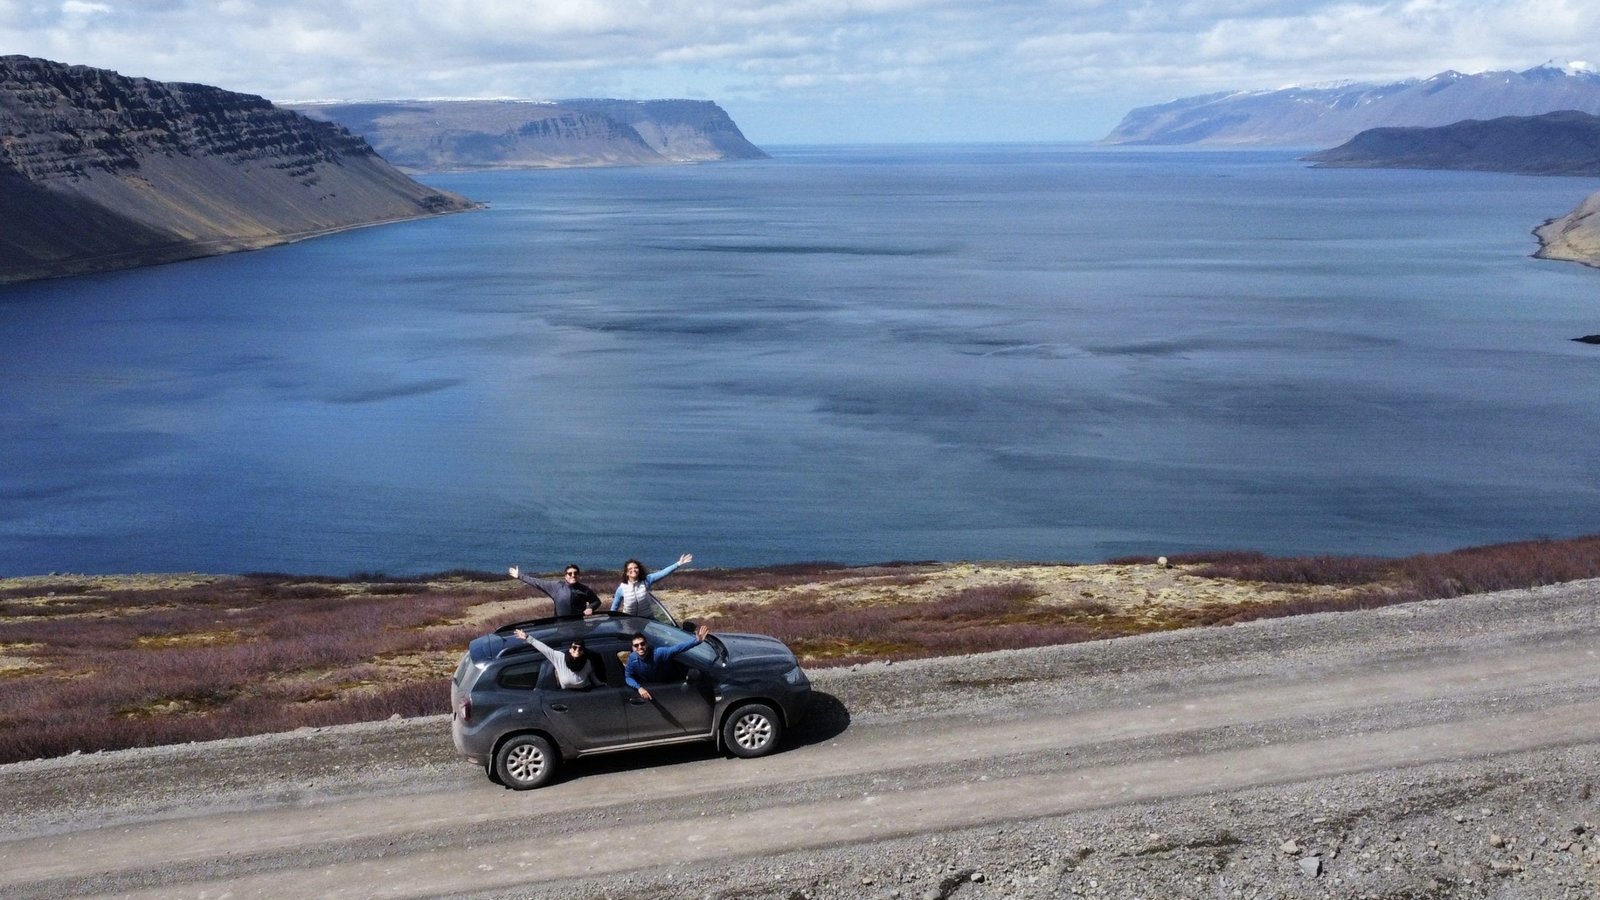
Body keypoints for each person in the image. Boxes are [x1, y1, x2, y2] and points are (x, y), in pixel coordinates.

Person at [624, 623, 710, 701]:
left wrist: (696, 641)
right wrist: (639, 688)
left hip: (667, 685)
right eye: (636, 645)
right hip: (651, 689)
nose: (640, 647)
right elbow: (628, 677)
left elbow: (677, 648)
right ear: (633, 648)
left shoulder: (658, 653)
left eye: (642, 644)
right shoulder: (632, 659)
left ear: (646, 644)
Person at [511, 629, 600, 689]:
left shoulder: (586, 662)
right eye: (574, 647)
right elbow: (544, 649)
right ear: (570, 649)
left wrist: (601, 685)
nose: (577, 650)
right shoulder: (560, 658)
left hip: (585, 697)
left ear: (583, 651)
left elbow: (592, 676)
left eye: (580, 649)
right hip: (564, 699)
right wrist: (527, 637)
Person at [611, 553, 693, 617]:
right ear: (626, 573)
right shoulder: (621, 588)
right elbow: (614, 608)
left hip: (647, 619)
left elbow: (663, 573)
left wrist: (679, 563)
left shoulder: (646, 580)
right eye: (630, 569)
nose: (634, 570)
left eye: (636, 567)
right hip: (629, 620)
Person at [508, 563, 601, 617]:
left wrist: (590, 608)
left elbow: (596, 601)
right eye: (570, 573)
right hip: (560, 625)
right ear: (565, 576)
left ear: (578, 575)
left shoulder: (584, 589)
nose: (573, 575)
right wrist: (519, 576)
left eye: (575, 573)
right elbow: (537, 582)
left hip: (578, 625)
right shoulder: (556, 587)